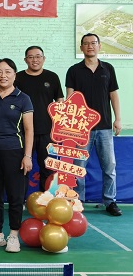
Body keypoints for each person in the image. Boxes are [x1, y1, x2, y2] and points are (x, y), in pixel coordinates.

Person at [66, 33, 122, 216]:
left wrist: (118, 119)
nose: (90, 46)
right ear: (81, 47)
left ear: (99, 46)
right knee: (78, 167)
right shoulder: (73, 70)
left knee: (109, 167)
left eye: (93, 43)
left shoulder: (108, 69)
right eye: (86, 43)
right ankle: (77, 202)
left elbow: (113, 95)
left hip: (104, 127)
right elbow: (69, 99)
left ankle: (110, 201)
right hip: (81, 129)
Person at [0, 58, 33, 253]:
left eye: (8, 71)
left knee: (15, 196)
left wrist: (27, 156)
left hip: (14, 152)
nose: (3, 75)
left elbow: (29, 130)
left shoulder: (23, 98)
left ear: (14, 75)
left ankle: (13, 235)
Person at [15, 46, 64, 192]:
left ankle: (46, 199)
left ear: (43, 59)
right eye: (31, 57)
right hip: (22, 132)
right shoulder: (18, 78)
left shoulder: (52, 77)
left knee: (47, 168)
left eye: (38, 56)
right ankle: (20, 200)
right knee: (22, 167)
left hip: (47, 131)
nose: (34, 60)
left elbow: (60, 101)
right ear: (25, 60)